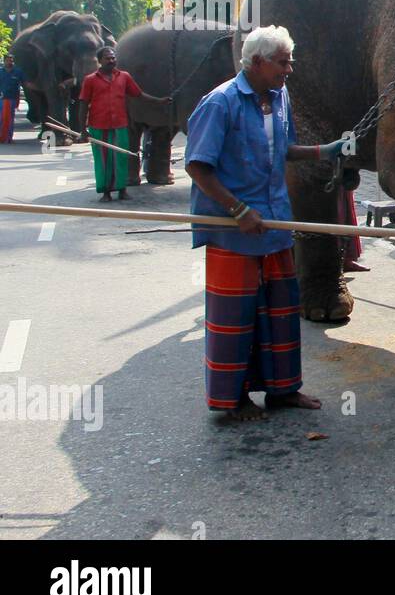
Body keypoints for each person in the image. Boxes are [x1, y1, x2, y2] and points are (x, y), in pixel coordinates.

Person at [185, 25, 346, 420]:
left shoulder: (279, 97)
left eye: (290, 61)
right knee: (234, 318)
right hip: (233, 231)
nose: (289, 70)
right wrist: (237, 210)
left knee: (281, 314)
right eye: (283, 62)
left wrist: (323, 152)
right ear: (256, 62)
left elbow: (282, 151)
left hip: (273, 224)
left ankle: (283, 390)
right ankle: (231, 401)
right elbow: (197, 165)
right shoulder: (220, 103)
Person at [76, 46, 170, 202]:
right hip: (98, 125)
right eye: (108, 58)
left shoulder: (124, 77)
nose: (112, 61)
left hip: (120, 124)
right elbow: (83, 104)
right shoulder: (90, 80)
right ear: (100, 61)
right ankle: (106, 192)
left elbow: (138, 94)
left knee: (121, 158)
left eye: (113, 58)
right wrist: (82, 130)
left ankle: (122, 190)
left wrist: (159, 101)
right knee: (103, 160)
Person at [1, 53, 25, 144]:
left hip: (12, 99)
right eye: (8, 60)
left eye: (11, 60)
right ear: (4, 61)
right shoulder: (0, 71)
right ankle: (1, 137)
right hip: (1, 99)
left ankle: (7, 138)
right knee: (1, 118)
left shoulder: (18, 72)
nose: (10, 62)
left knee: (9, 118)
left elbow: (25, 83)